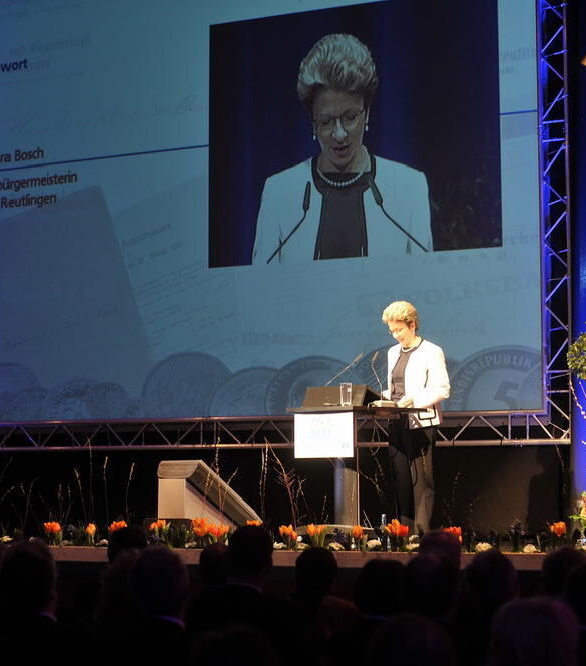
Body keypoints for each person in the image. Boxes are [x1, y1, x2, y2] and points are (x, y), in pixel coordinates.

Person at [252, 33, 432, 264]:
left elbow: (423, 283)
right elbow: (256, 289)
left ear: (367, 113)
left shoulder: (409, 187)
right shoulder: (279, 192)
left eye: (350, 117)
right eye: (326, 121)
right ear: (312, 122)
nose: (339, 134)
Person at [381, 300, 450, 533]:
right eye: (391, 331)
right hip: (397, 422)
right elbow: (394, 389)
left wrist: (415, 400)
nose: (395, 335)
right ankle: (403, 533)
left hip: (421, 423)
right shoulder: (392, 353)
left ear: (412, 324)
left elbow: (442, 388)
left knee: (422, 484)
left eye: (399, 329)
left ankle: (422, 536)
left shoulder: (431, 351)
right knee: (401, 482)